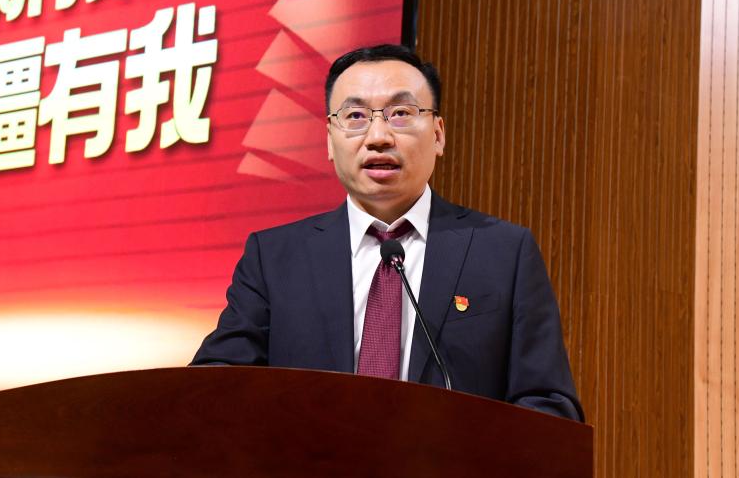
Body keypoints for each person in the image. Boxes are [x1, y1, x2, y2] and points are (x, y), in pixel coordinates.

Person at [191, 45, 583, 421]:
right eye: (355, 116)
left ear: (438, 134)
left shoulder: (504, 253)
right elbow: (213, 390)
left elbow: (547, 406)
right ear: (330, 140)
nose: (378, 136)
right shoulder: (274, 258)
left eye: (401, 113)